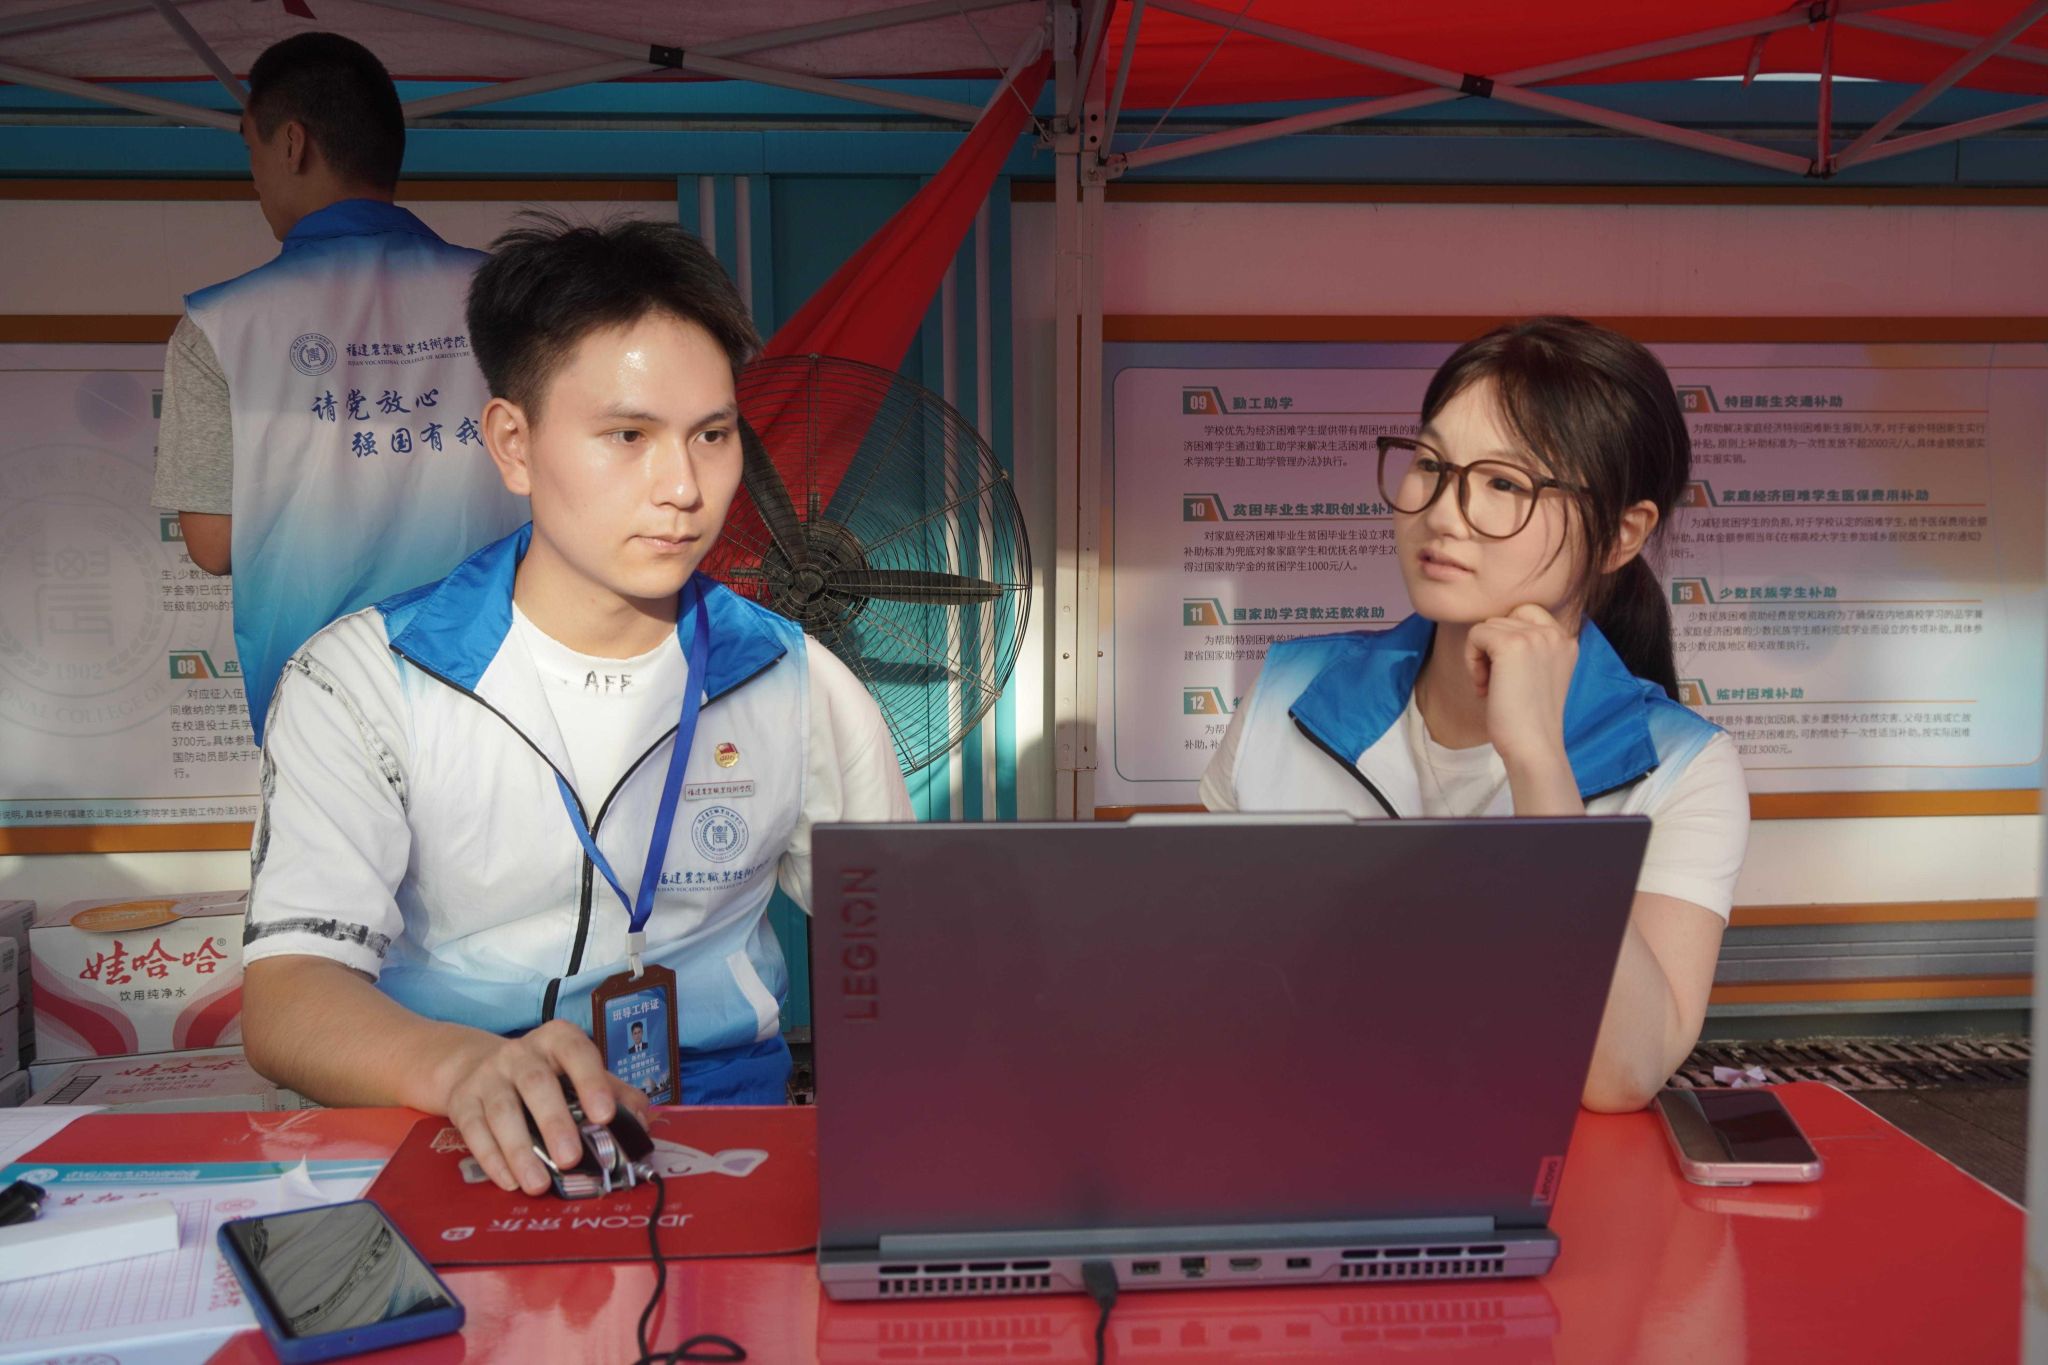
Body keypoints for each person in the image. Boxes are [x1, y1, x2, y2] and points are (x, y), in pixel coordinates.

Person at [239, 216, 911, 1195]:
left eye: (712, 436)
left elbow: (909, 952)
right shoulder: (366, 681)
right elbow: (288, 997)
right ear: (513, 444)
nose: (683, 488)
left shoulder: (794, 680)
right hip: (445, 1125)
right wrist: (458, 1067)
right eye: (628, 436)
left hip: (721, 1135)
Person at [1200, 316, 1747, 1113]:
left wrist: (1539, 762)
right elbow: (1208, 981)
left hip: (1538, 1175)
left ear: (1621, 534)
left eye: (1505, 484)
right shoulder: (1288, 690)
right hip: (1289, 1145)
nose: (1445, 514)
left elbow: (1620, 1076)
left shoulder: (1683, 767)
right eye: (1431, 464)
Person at [151, 31, 526, 739]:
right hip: (501, 696)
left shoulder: (218, 325)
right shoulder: (514, 298)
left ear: (292, 144)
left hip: (320, 710)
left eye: (251, 149)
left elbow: (212, 543)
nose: (254, 178)